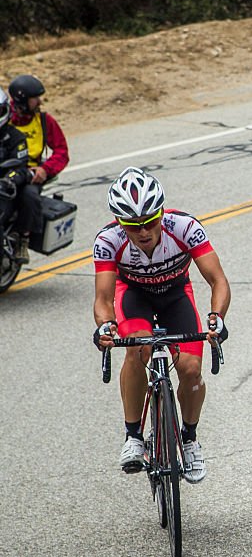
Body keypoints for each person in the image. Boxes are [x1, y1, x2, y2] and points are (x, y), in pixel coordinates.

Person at [92, 167, 231, 484]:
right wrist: (105, 326)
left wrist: (217, 316)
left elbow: (217, 280)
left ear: (161, 212)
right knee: (138, 349)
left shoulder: (184, 227)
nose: (143, 232)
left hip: (175, 295)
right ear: (119, 223)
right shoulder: (108, 241)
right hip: (134, 297)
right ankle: (133, 436)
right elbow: (102, 298)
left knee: (191, 369)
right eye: (132, 226)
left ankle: (190, 438)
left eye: (150, 222)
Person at [7, 75, 70, 264]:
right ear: (22, 100)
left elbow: (61, 151)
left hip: (30, 175)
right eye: (35, 98)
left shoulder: (44, 120)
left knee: (29, 197)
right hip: (5, 170)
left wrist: (45, 170)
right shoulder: (5, 116)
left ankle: (22, 241)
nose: (39, 101)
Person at [0, 90, 32, 261]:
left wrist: (8, 180)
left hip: (5, 191)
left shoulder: (15, 137)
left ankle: (22, 239)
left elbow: (19, 167)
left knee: (29, 195)